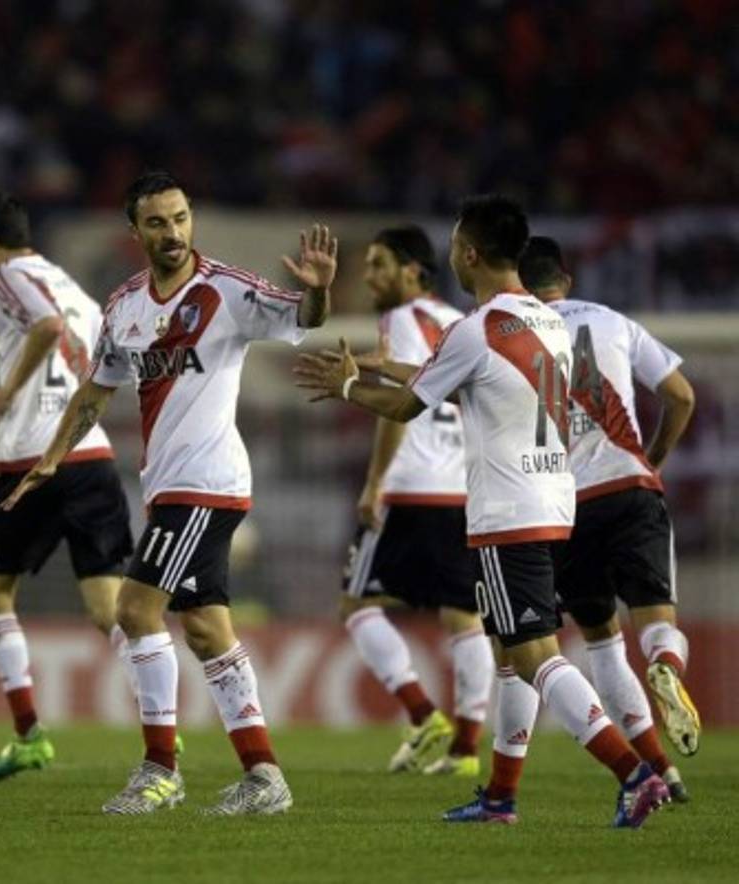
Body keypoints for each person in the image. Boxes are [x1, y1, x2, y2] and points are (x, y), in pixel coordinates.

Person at [294, 194, 670, 828]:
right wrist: (387, 364)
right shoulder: (547, 321)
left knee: (532, 656)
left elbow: (409, 407)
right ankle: (499, 796)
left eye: (454, 248)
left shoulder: (476, 329)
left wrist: (351, 387)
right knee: (508, 652)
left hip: (507, 512)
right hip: (556, 501)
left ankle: (634, 773)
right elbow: (472, 375)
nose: (451, 259)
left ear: (469, 253)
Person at [3, 170, 336, 815]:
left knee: (133, 611)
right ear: (136, 232)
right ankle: (264, 776)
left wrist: (317, 293)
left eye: (181, 217)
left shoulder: (227, 291)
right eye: (157, 222)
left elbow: (301, 317)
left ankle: (160, 770)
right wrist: (48, 461)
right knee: (209, 630)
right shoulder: (124, 307)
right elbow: (95, 390)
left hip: (206, 482)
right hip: (170, 487)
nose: (173, 232)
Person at [0, 192, 138, 781]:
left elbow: (46, 326)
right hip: (90, 454)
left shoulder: (3, 275)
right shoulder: (69, 283)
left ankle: (30, 735)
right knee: (108, 610)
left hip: (28, 456)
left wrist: (9, 391)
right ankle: (162, 731)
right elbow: (95, 343)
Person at [519, 235, 698, 800]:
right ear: (565, 281)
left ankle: (660, 769)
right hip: (629, 487)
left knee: (601, 645)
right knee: (656, 622)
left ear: (520, 286)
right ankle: (666, 664)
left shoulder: (512, 335)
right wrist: (655, 458)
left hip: (564, 507)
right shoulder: (611, 320)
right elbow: (682, 396)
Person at [341, 225, 491, 777]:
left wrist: (374, 481)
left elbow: (401, 404)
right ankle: (468, 748)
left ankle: (423, 715)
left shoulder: (401, 321)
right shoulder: (459, 323)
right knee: (463, 615)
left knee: (355, 605)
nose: (368, 276)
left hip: (412, 486)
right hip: (463, 487)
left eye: (378, 264)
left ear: (411, 270)